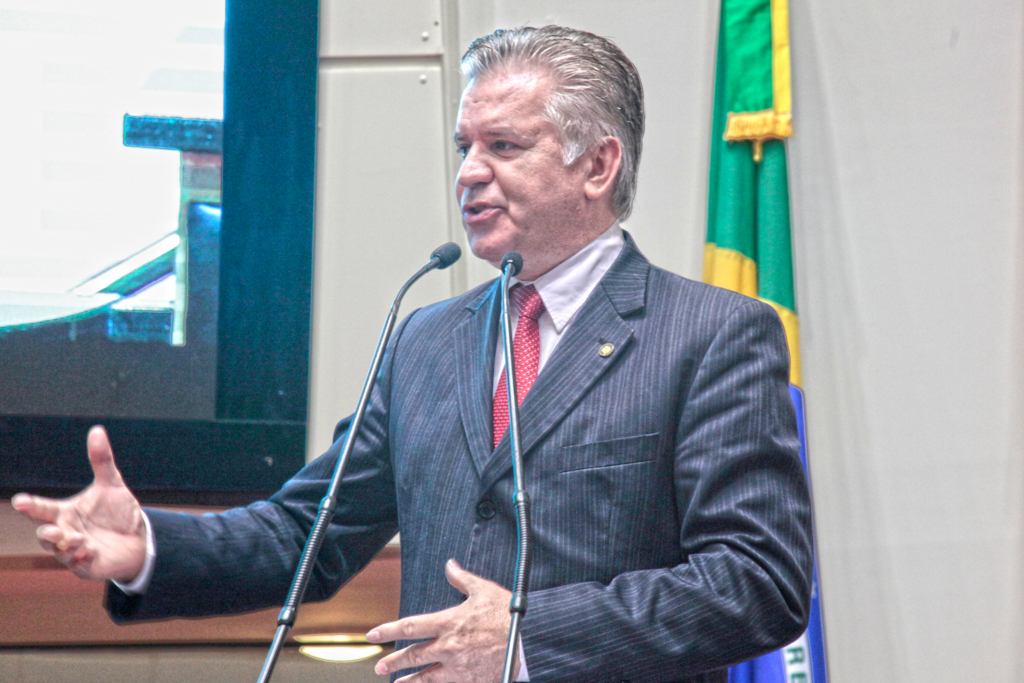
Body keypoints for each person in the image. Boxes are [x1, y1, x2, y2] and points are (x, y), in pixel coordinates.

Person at [13, 25, 813, 683]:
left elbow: (758, 580)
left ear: (598, 164)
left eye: (504, 144)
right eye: (465, 144)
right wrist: (149, 544)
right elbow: (305, 533)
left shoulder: (712, 333)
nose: (468, 173)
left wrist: (527, 639)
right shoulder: (427, 339)